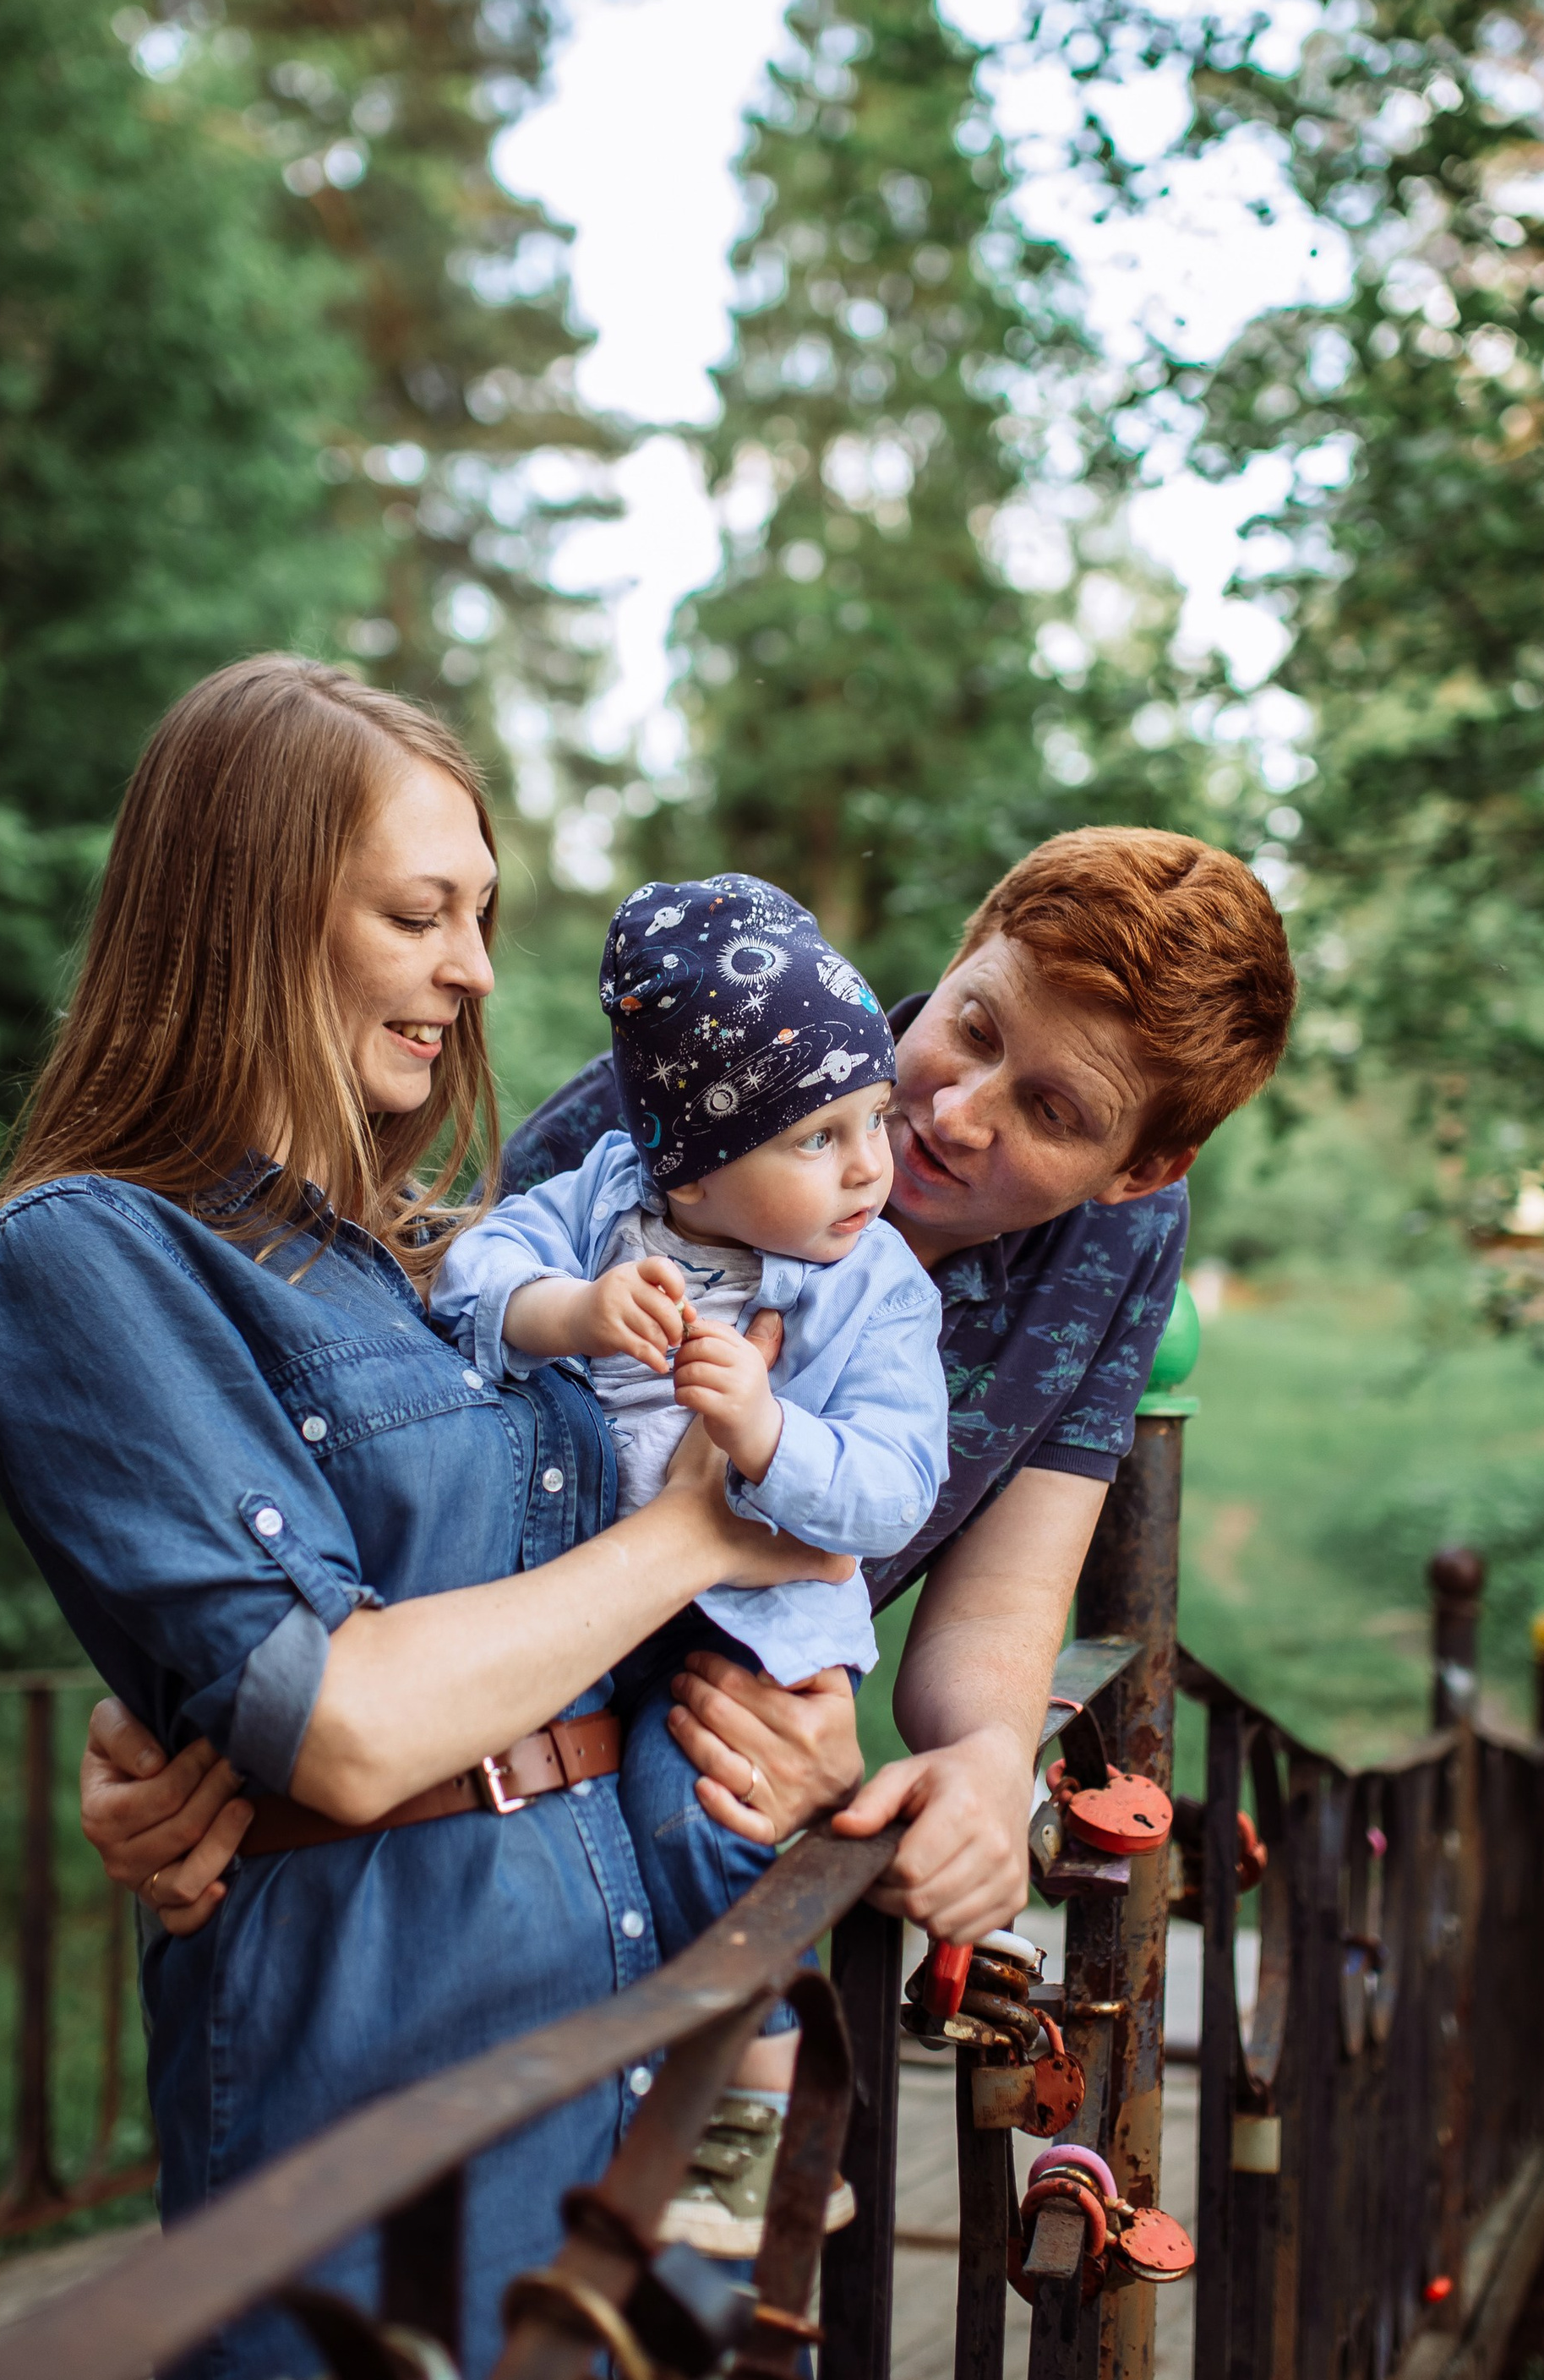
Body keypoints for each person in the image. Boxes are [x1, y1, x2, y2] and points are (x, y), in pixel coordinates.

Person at [0, 656, 853, 2380]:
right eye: (411, 910)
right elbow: (344, 1716)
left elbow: (853, 1173)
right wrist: (707, 1536)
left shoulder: (440, 1260)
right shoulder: (91, 1254)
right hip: (369, 2089)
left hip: (624, 2064)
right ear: (248, 902)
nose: (467, 972)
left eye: (479, 914)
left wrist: (815, 1725)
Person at [86, 824, 1296, 1996]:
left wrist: (982, 1765)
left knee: (703, 2126)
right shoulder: (708, 1086)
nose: (956, 1111)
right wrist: (198, 1706)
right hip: (475, 1748)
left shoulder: (1119, 1244)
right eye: (970, 1026)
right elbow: (376, 1421)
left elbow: (1010, 1595)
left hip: (700, 1759)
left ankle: (749, 2101)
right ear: (963, 954)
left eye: (1054, 1114)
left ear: (1142, 1170)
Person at [431, 872, 951, 2252]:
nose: (866, 1168)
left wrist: (771, 1436)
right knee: (529, 1825)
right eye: (818, 1136)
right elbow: (464, 1278)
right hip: (587, 1602)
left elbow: (898, 1487)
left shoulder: (872, 1285)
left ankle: (759, 2110)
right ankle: (599, 2086)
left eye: (873, 1121)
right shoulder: (609, 1202)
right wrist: (571, 1309)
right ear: (696, 1166)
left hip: (747, 1626)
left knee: (691, 1816)